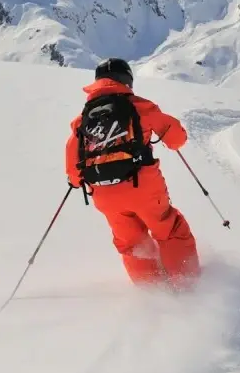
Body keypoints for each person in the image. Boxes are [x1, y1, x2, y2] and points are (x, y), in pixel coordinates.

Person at [65, 58, 200, 288]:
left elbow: (73, 162)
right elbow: (177, 139)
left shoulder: (82, 120)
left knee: (131, 243)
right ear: (127, 81)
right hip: (143, 188)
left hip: (104, 195)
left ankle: (152, 292)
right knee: (170, 230)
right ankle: (187, 287)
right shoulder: (140, 106)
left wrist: (77, 180)